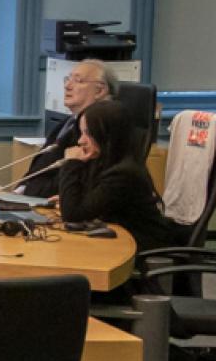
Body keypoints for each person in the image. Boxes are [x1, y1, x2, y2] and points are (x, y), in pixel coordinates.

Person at [57, 99, 185, 253]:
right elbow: (86, 204)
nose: (80, 141)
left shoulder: (123, 174)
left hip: (141, 248)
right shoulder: (106, 160)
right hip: (118, 240)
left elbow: (73, 215)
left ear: (107, 136)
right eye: (81, 132)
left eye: (88, 133)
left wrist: (70, 163)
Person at [20, 59, 121, 198]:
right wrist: (19, 190)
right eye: (68, 79)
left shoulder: (100, 132)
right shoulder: (67, 123)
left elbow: (79, 180)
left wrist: (29, 193)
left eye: (78, 81)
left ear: (100, 90)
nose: (67, 86)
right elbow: (42, 167)